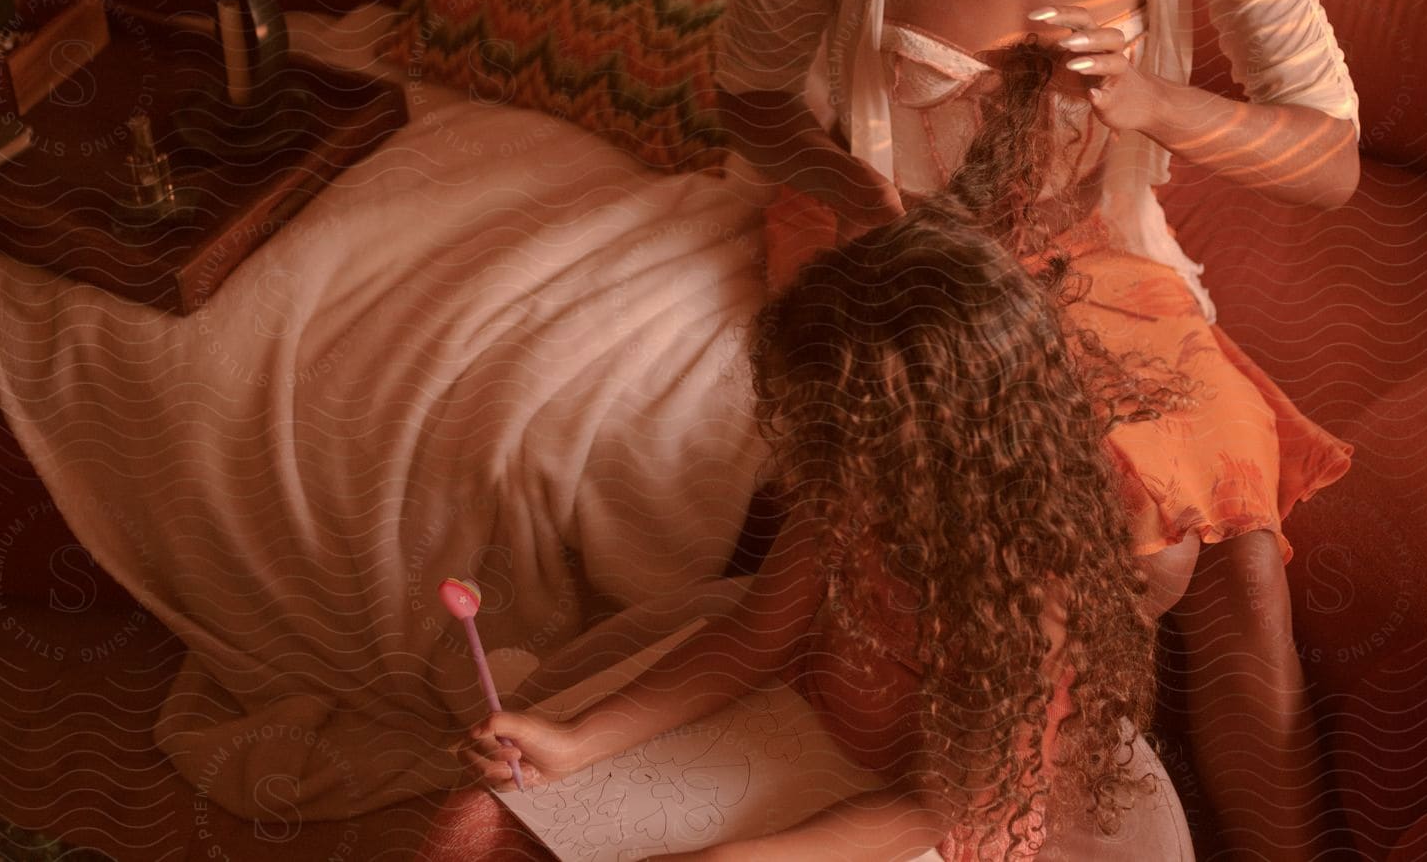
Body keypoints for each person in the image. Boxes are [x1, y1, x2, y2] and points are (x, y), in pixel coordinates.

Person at [708, 0, 1363, 856]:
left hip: (1095, 251)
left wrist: (1152, 98)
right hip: (900, 263)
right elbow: (748, 98)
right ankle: (1002, 802)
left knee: (1236, 549)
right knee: (1087, 532)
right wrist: (859, 196)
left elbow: (1330, 157)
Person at [460, 45, 1196, 859]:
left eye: (848, 464)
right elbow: (751, 641)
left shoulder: (1032, 596)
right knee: (480, 826)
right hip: (800, 732)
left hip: (928, 827)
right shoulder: (852, 499)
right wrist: (577, 739)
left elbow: (947, 812)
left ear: (942, 466)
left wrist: (746, 857)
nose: (824, 485)